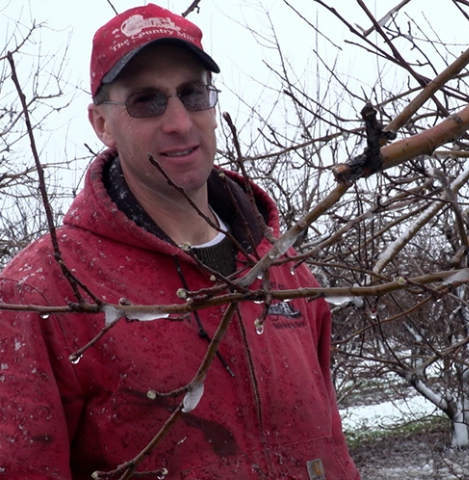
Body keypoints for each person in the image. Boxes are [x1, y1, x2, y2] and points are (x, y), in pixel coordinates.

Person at [0, 4, 360, 479]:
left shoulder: (282, 266)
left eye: (192, 94)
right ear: (102, 124)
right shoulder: (42, 293)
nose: (179, 122)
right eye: (146, 101)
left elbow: (331, 446)